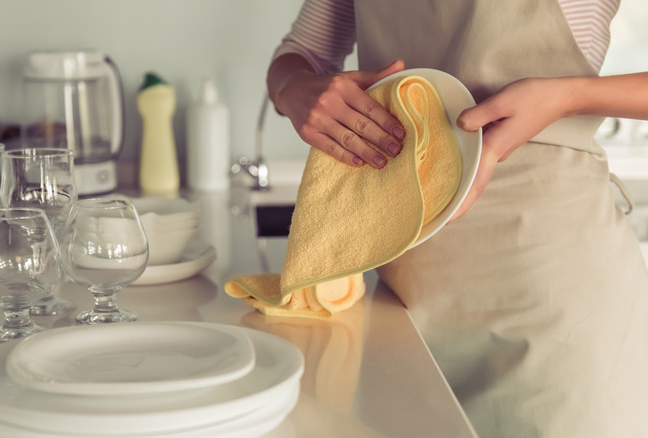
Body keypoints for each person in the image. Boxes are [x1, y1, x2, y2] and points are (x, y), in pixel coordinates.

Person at [267, 1, 648, 437]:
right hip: (405, 305)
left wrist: (570, 95)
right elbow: (300, 54)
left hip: (556, 303)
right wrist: (294, 88)